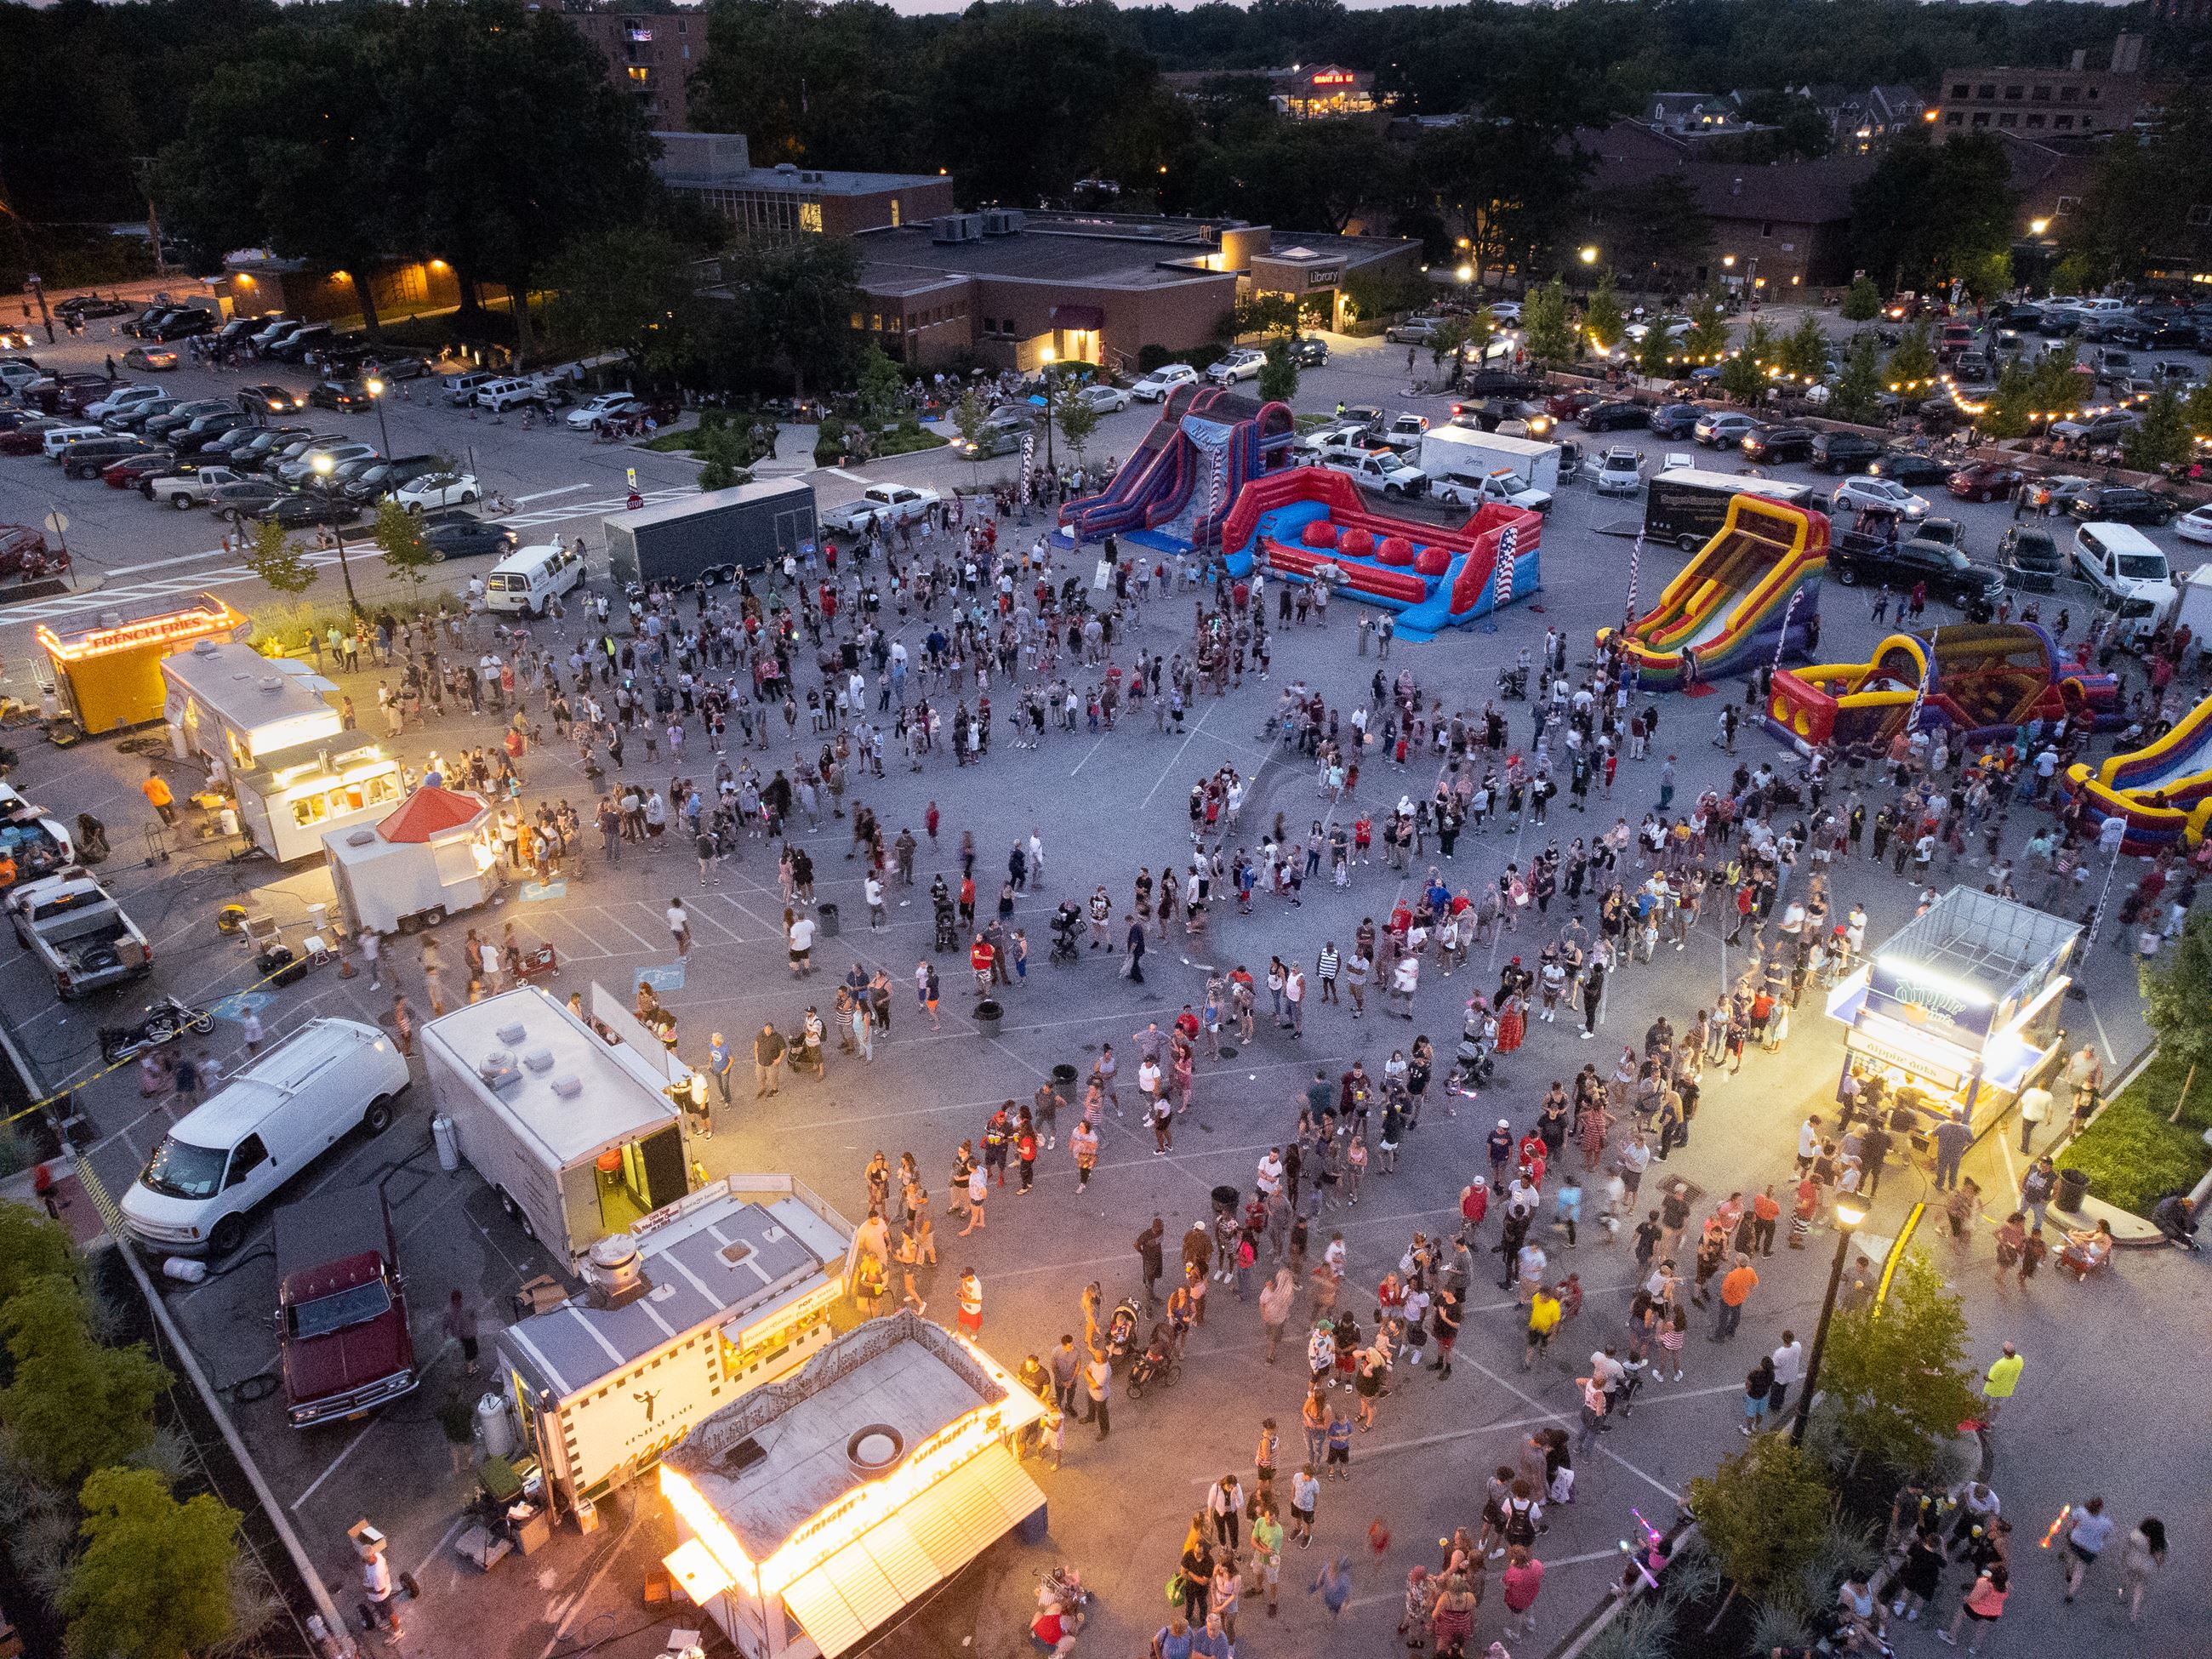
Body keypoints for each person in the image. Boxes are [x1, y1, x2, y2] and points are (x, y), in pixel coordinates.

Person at [2060, 1496, 2114, 1601]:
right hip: (2090, 1550)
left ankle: (2068, 1572)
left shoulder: (2081, 1511)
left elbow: (2074, 1524)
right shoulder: (2106, 1522)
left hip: (2076, 1542)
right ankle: (2070, 1594)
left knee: (2072, 1557)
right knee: (2080, 1571)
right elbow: (2106, 1536)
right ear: (2101, 1508)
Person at [2119, 1517, 2166, 1626]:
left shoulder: (2136, 1536)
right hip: (2147, 1568)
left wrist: (2124, 1558)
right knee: (2139, 1589)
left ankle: (2122, 1593)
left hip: (2133, 1562)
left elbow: (2127, 1547)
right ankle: (2134, 1614)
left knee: (2128, 1578)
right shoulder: (2163, 1543)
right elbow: (2161, 1559)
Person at [443, 1290, 481, 1377]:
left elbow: (446, 1323)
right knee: (471, 1351)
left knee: (472, 1350)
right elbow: (474, 1315)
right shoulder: (465, 1307)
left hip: (463, 1334)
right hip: (467, 1334)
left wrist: (445, 1332)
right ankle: (470, 1370)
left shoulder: (450, 1309)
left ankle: (473, 1366)